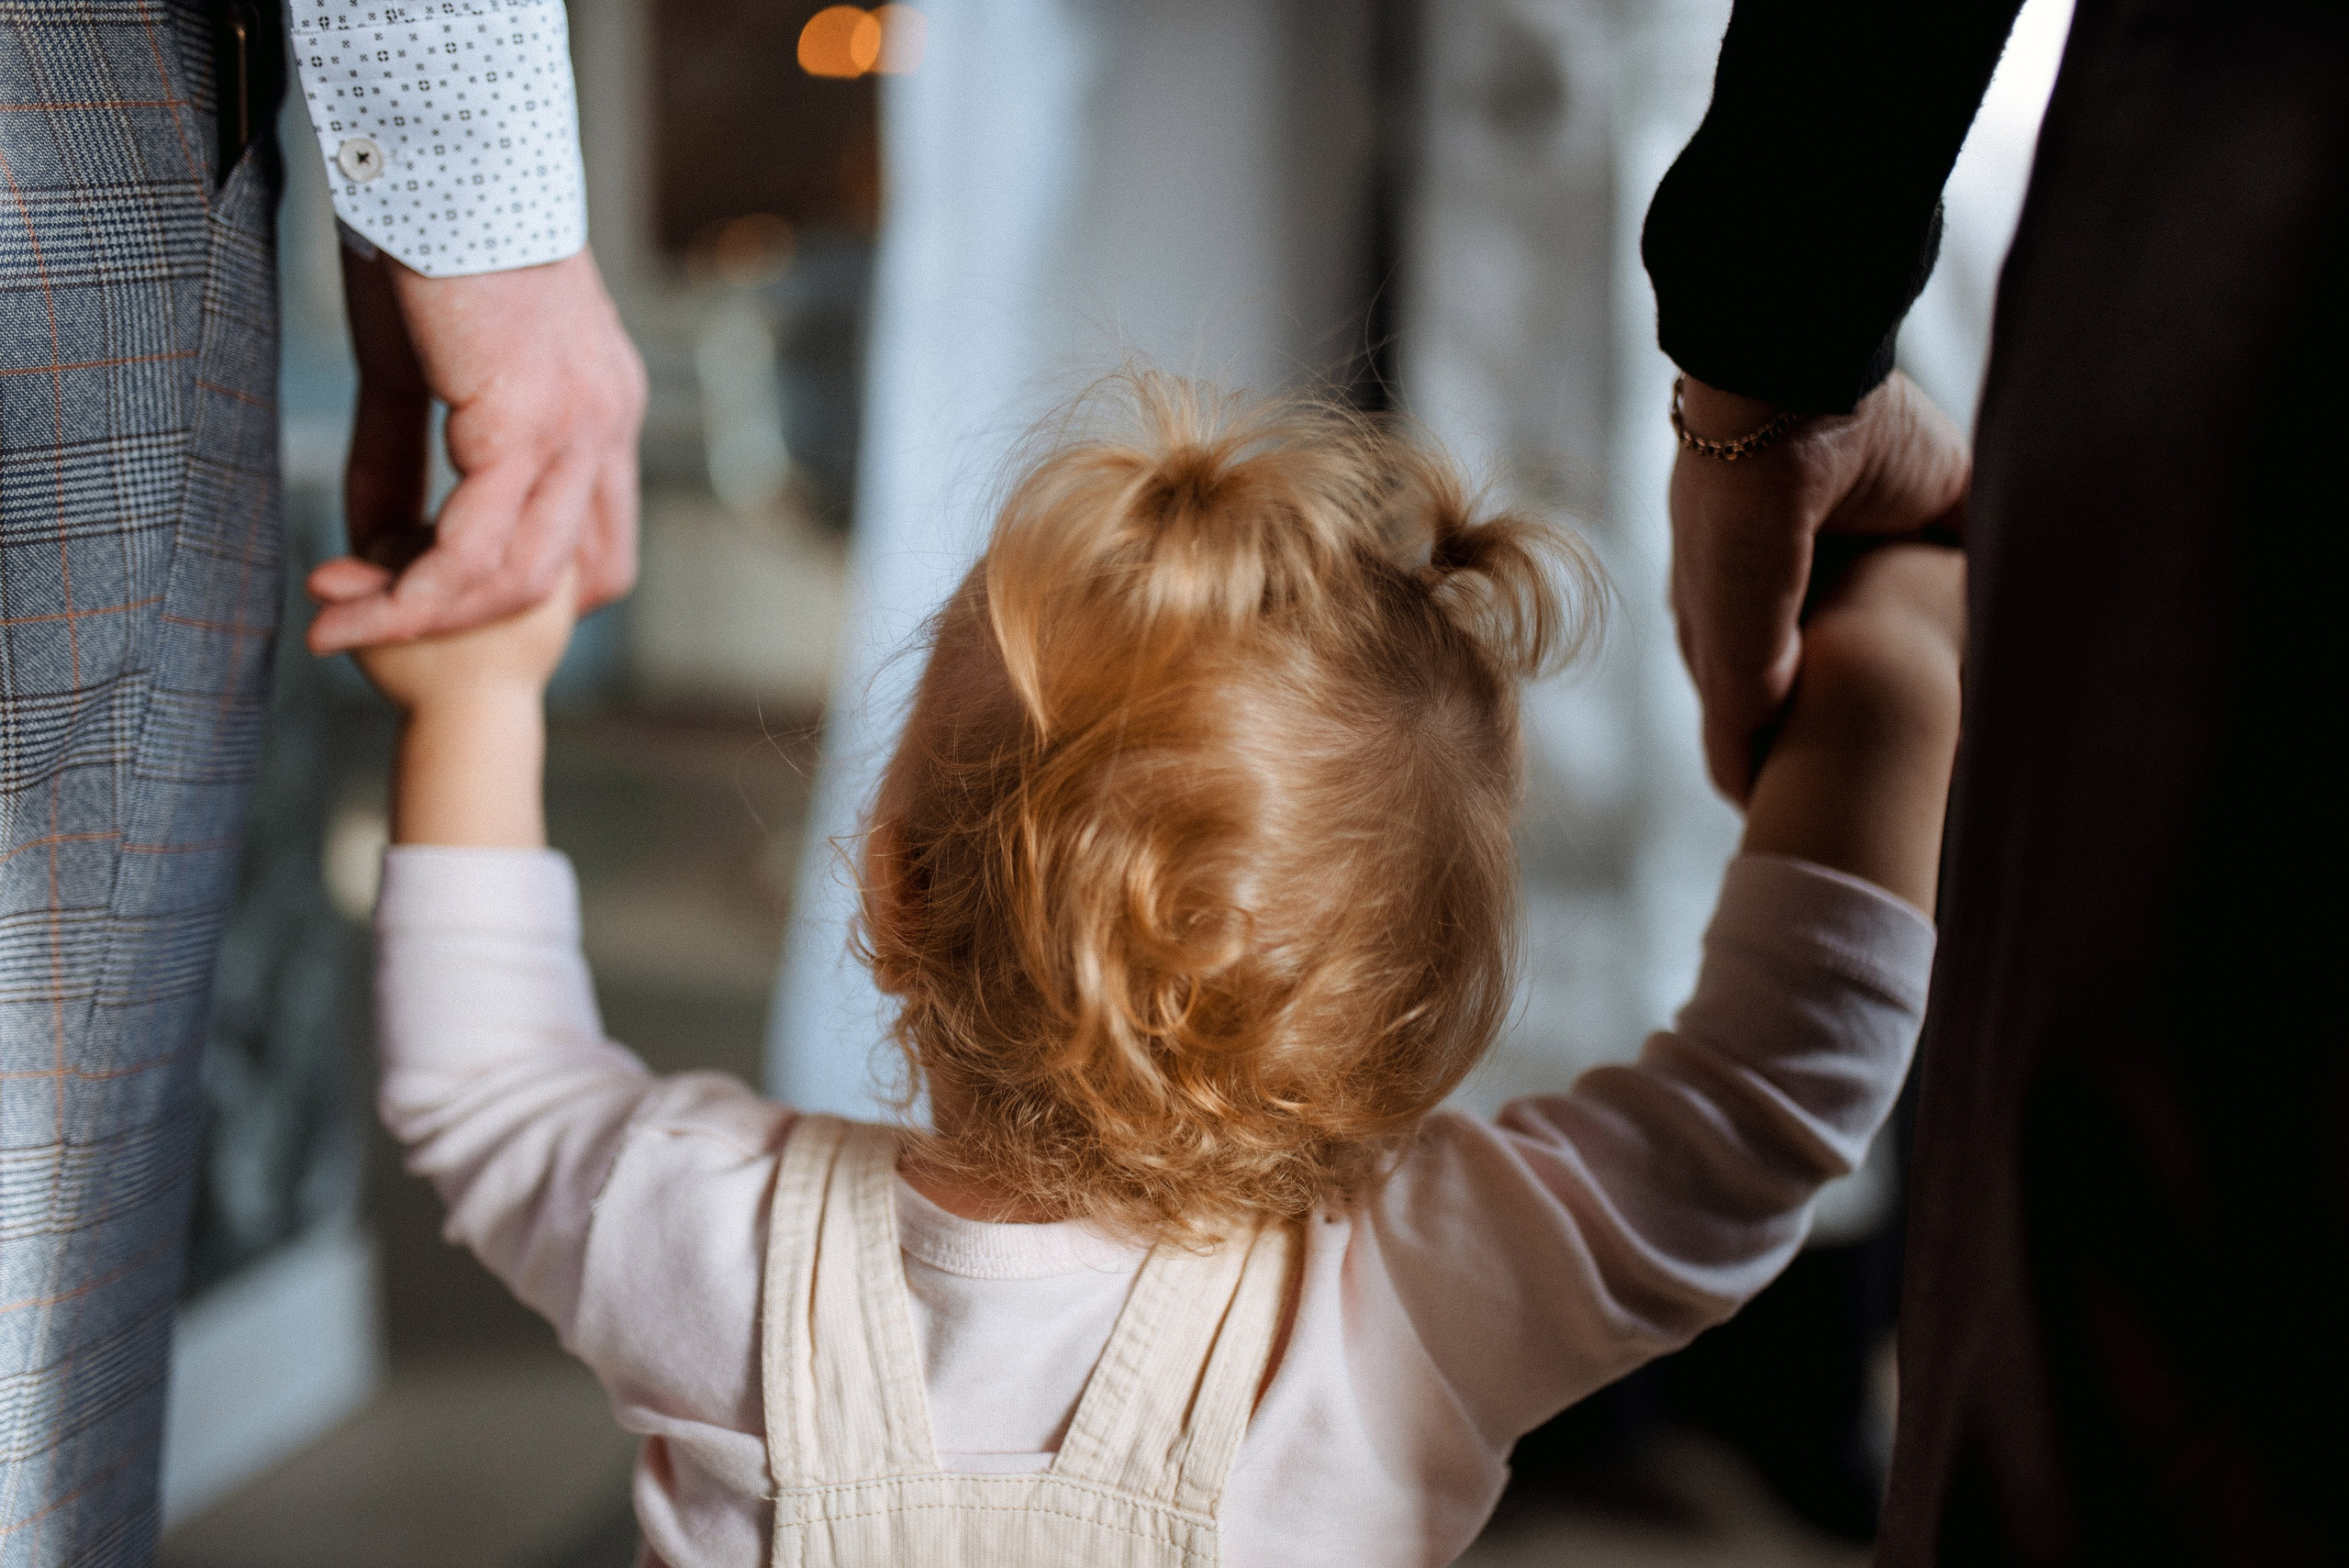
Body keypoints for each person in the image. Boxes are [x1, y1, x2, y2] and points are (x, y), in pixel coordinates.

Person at [352, 372, 1959, 1565]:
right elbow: (1761, 1101)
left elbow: (484, 1080)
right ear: (1413, 1009)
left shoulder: (714, 1234)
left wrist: (478, 700)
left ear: (891, 882)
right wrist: (1894, 681)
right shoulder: (1413, 1301)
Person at [1642, 2, 2347, 1562]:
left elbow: (1721, 1141)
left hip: (2285, 207)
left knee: (2128, 1327)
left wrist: (1770, 360)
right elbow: (1715, 1143)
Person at [0, 0, 640, 1552]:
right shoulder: (1339, 1345)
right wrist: (479, 199)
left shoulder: (746, 1237)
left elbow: (503, 1103)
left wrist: (484, 698)